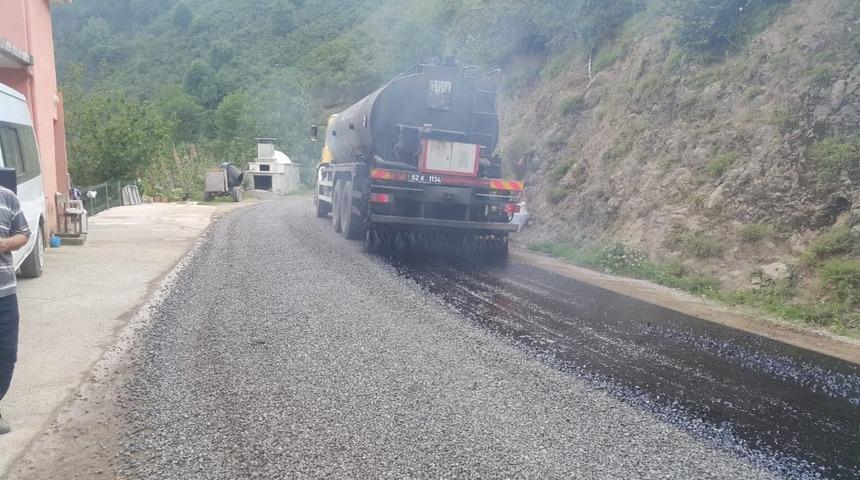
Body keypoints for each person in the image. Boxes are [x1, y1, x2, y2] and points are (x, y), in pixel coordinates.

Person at [0, 186, 31, 435]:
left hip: (5, 294)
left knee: (6, 354)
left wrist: (4, 243)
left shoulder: (7, 197)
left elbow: (23, 233)